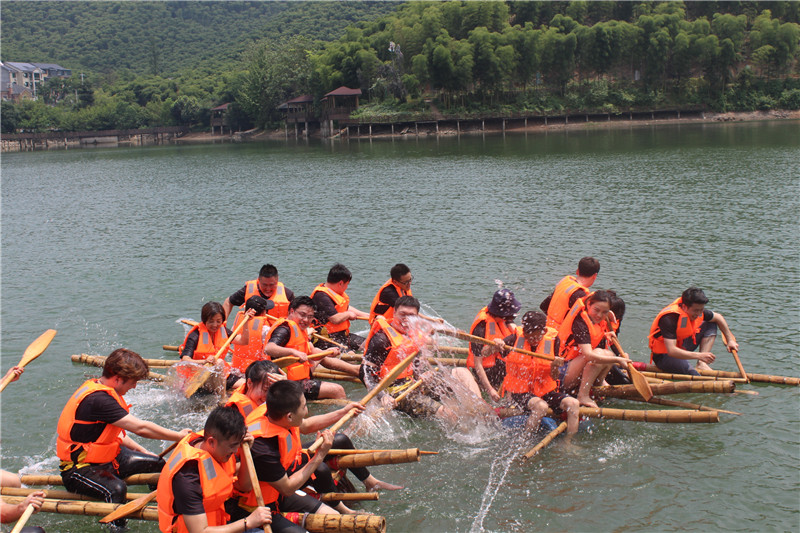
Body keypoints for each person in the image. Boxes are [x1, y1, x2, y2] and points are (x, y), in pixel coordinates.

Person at [56, 349, 191, 532]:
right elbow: (141, 428)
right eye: (133, 382)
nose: (134, 387)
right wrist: (179, 435)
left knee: (157, 463)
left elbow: (116, 434)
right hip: (80, 469)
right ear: (118, 378)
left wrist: (143, 452)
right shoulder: (99, 399)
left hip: (110, 459)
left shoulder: (107, 391)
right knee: (117, 490)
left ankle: (162, 505)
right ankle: (118, 529)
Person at [229, 380, 338, 532]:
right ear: (289, 417)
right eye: (304, 407)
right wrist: (320, 455)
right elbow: (287, 488)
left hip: (278, 492)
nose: (306, 411)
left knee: (334, 516)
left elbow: (305, 425)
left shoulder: (272, 411)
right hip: (257, 507)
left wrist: (344, 411)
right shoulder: (263, 448)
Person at [156, 405, 272, 533]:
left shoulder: (220, 445)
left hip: (219, 522)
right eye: (233, 446)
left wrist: (245, 453)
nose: (235, 451)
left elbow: (245, 486)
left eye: (238, 445)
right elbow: (199, 531)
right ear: (211, 442)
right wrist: (248, 522)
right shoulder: (188, 477)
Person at [362, 296, 465, 420]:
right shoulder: (381, 340)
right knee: (448, 414)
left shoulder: (413, 335)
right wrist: (382, 396)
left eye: (411, 316)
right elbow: (364, 372)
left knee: (454, 387)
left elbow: (415, 361)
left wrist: (421, 374)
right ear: (394, 313)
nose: (406, 320)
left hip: (412, 383)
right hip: (394, 391)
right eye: (402, 314)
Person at [493, 311, 579, 435]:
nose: (532, 340)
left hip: (544, 390)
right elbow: (486, 352)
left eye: (535, 337)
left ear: (544, 331)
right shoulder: (515, 338)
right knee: (541, 407)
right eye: (528, 337)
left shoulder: (554, 340)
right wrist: (495, 344)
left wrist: (555, 366)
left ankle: (569, 443)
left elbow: (554, 377)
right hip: (520, 392)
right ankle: (527, 441)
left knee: (574, 403)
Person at [264, 296, 353, 400]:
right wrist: (293, 352)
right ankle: (344, 413)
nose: (306, 320)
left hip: (300, 376)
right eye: (302, 315)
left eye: (310, 316)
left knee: (318, 352)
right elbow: (269, 348)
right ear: (292, 311)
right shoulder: (284, 329)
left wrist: (327, 353)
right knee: (337, 390)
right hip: (285, 382)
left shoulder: (301, 329)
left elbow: (313, 353)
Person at [557, 291, 628, 408]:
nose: (599, 315)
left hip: (576, 367)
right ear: (588, 305)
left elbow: (602, 313)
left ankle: (597, 385)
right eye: (596, 310)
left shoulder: (600, 319)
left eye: (604, 312)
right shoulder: (580, 322)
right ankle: (583, 395)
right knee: (600, 354)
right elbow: (589, 355)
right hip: (563, 373)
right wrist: (618, 360)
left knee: (607, 354)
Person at [648, 287, 739, 376]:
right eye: (696, 310)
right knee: (695, 375)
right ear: (684, 307)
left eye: (701, 310)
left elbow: (718, 317)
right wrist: (700, 355)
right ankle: (696, 364)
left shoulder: (698, 312)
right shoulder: (669, 318)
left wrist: (730, 340)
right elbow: (672, 351)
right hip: (665, 355)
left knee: (711, 323)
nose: (699, 314)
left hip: (682, 346)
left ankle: (702, 364)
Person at [179, 301, 253, 392]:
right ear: (204, 320)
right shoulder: (195, 335)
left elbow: (243, 341)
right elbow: (185, 360)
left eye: (218, 321)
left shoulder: (223, 330)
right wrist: (204, 361)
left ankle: (221, 391)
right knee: (219, 362)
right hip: (198, 378)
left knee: (249, 386)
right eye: (211, 321)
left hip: (220, 374)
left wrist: (246, 321)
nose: (215, 325)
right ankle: (222, 398)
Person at [467, 289, 521, 402]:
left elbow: (512, 325)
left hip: (502, 363)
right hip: (488, 371)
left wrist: (516, 333)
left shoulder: (503, 316)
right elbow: (478, 364)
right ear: (502, 314)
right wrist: (490, 389)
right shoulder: (481, 328)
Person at [311, 263, 369, 351]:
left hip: (343, 336)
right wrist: (348, 315)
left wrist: (368, 316)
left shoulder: (334, 292)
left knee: (369, 346)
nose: (347, 287)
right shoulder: (321, 296)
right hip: (327, 340)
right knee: (351, 358)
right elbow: (335, 318)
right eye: (347, 284)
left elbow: (346, 308)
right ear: (340, 283)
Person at [540, 257, 600, 329]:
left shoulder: (565, 283)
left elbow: (543, 306)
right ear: (595, 276)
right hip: (560, 336)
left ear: (577, 271)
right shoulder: (581, 296)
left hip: (547, 329)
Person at [222, 264, 295, 322]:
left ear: (277, 280)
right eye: (264, 285)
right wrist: (222, 323)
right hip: (253, 334)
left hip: (277, 334)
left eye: (272, 285)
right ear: (258, 280)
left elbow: (297, 312)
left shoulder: (287, 294)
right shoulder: (248, 290)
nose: (268, 289)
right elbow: (228, 302)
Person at [231, 296, 275, 374]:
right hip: (255, 370)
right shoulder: (265, 329)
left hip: (236, 368)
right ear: (264, 312)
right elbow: (269, 350)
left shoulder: (237, 324)